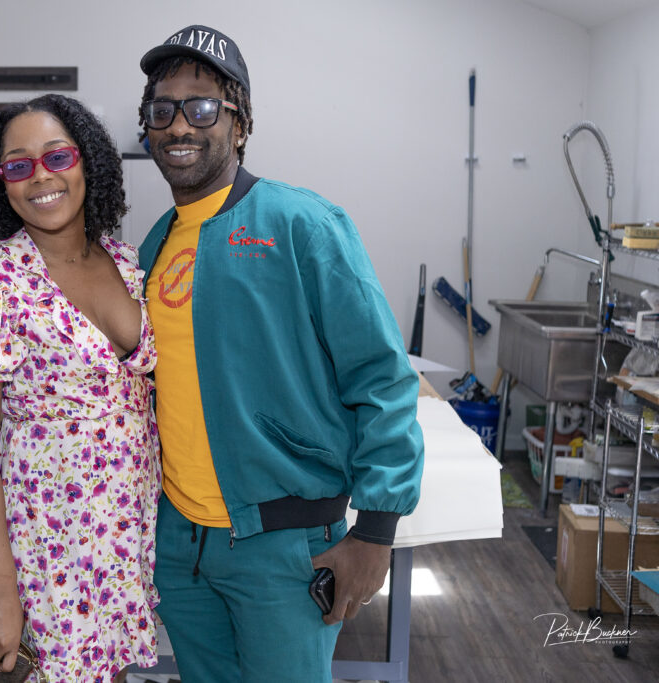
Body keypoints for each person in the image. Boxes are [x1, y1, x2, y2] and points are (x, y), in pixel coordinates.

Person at [136, 25, 425, 682]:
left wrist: (375, 530)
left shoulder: (301, 225)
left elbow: (382, 377)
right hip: (181, 544)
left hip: (285, 546)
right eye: (162, 109)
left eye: (201, 106)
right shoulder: (155, 245)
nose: (179, 124)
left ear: (240, 124)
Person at [0, 93, 160, 683]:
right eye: (19, 166)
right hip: (50, 541)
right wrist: (2, 592)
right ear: (0, 184)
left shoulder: (125, 262)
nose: (41, 177)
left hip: (125, 530)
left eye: (57, 156)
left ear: (86, 162)